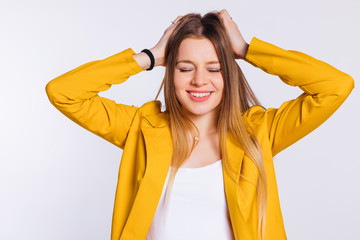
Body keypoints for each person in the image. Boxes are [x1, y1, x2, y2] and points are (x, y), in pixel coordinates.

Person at [45, 9, 354, 240]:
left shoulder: (258, 133)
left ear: (228, 74)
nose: (199, 80)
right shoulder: (140, 129)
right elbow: (64, 92)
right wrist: (149, 56)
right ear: (171, 72)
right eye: (185, 67)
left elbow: (335, 86)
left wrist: (247, 50)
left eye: (214, 68)